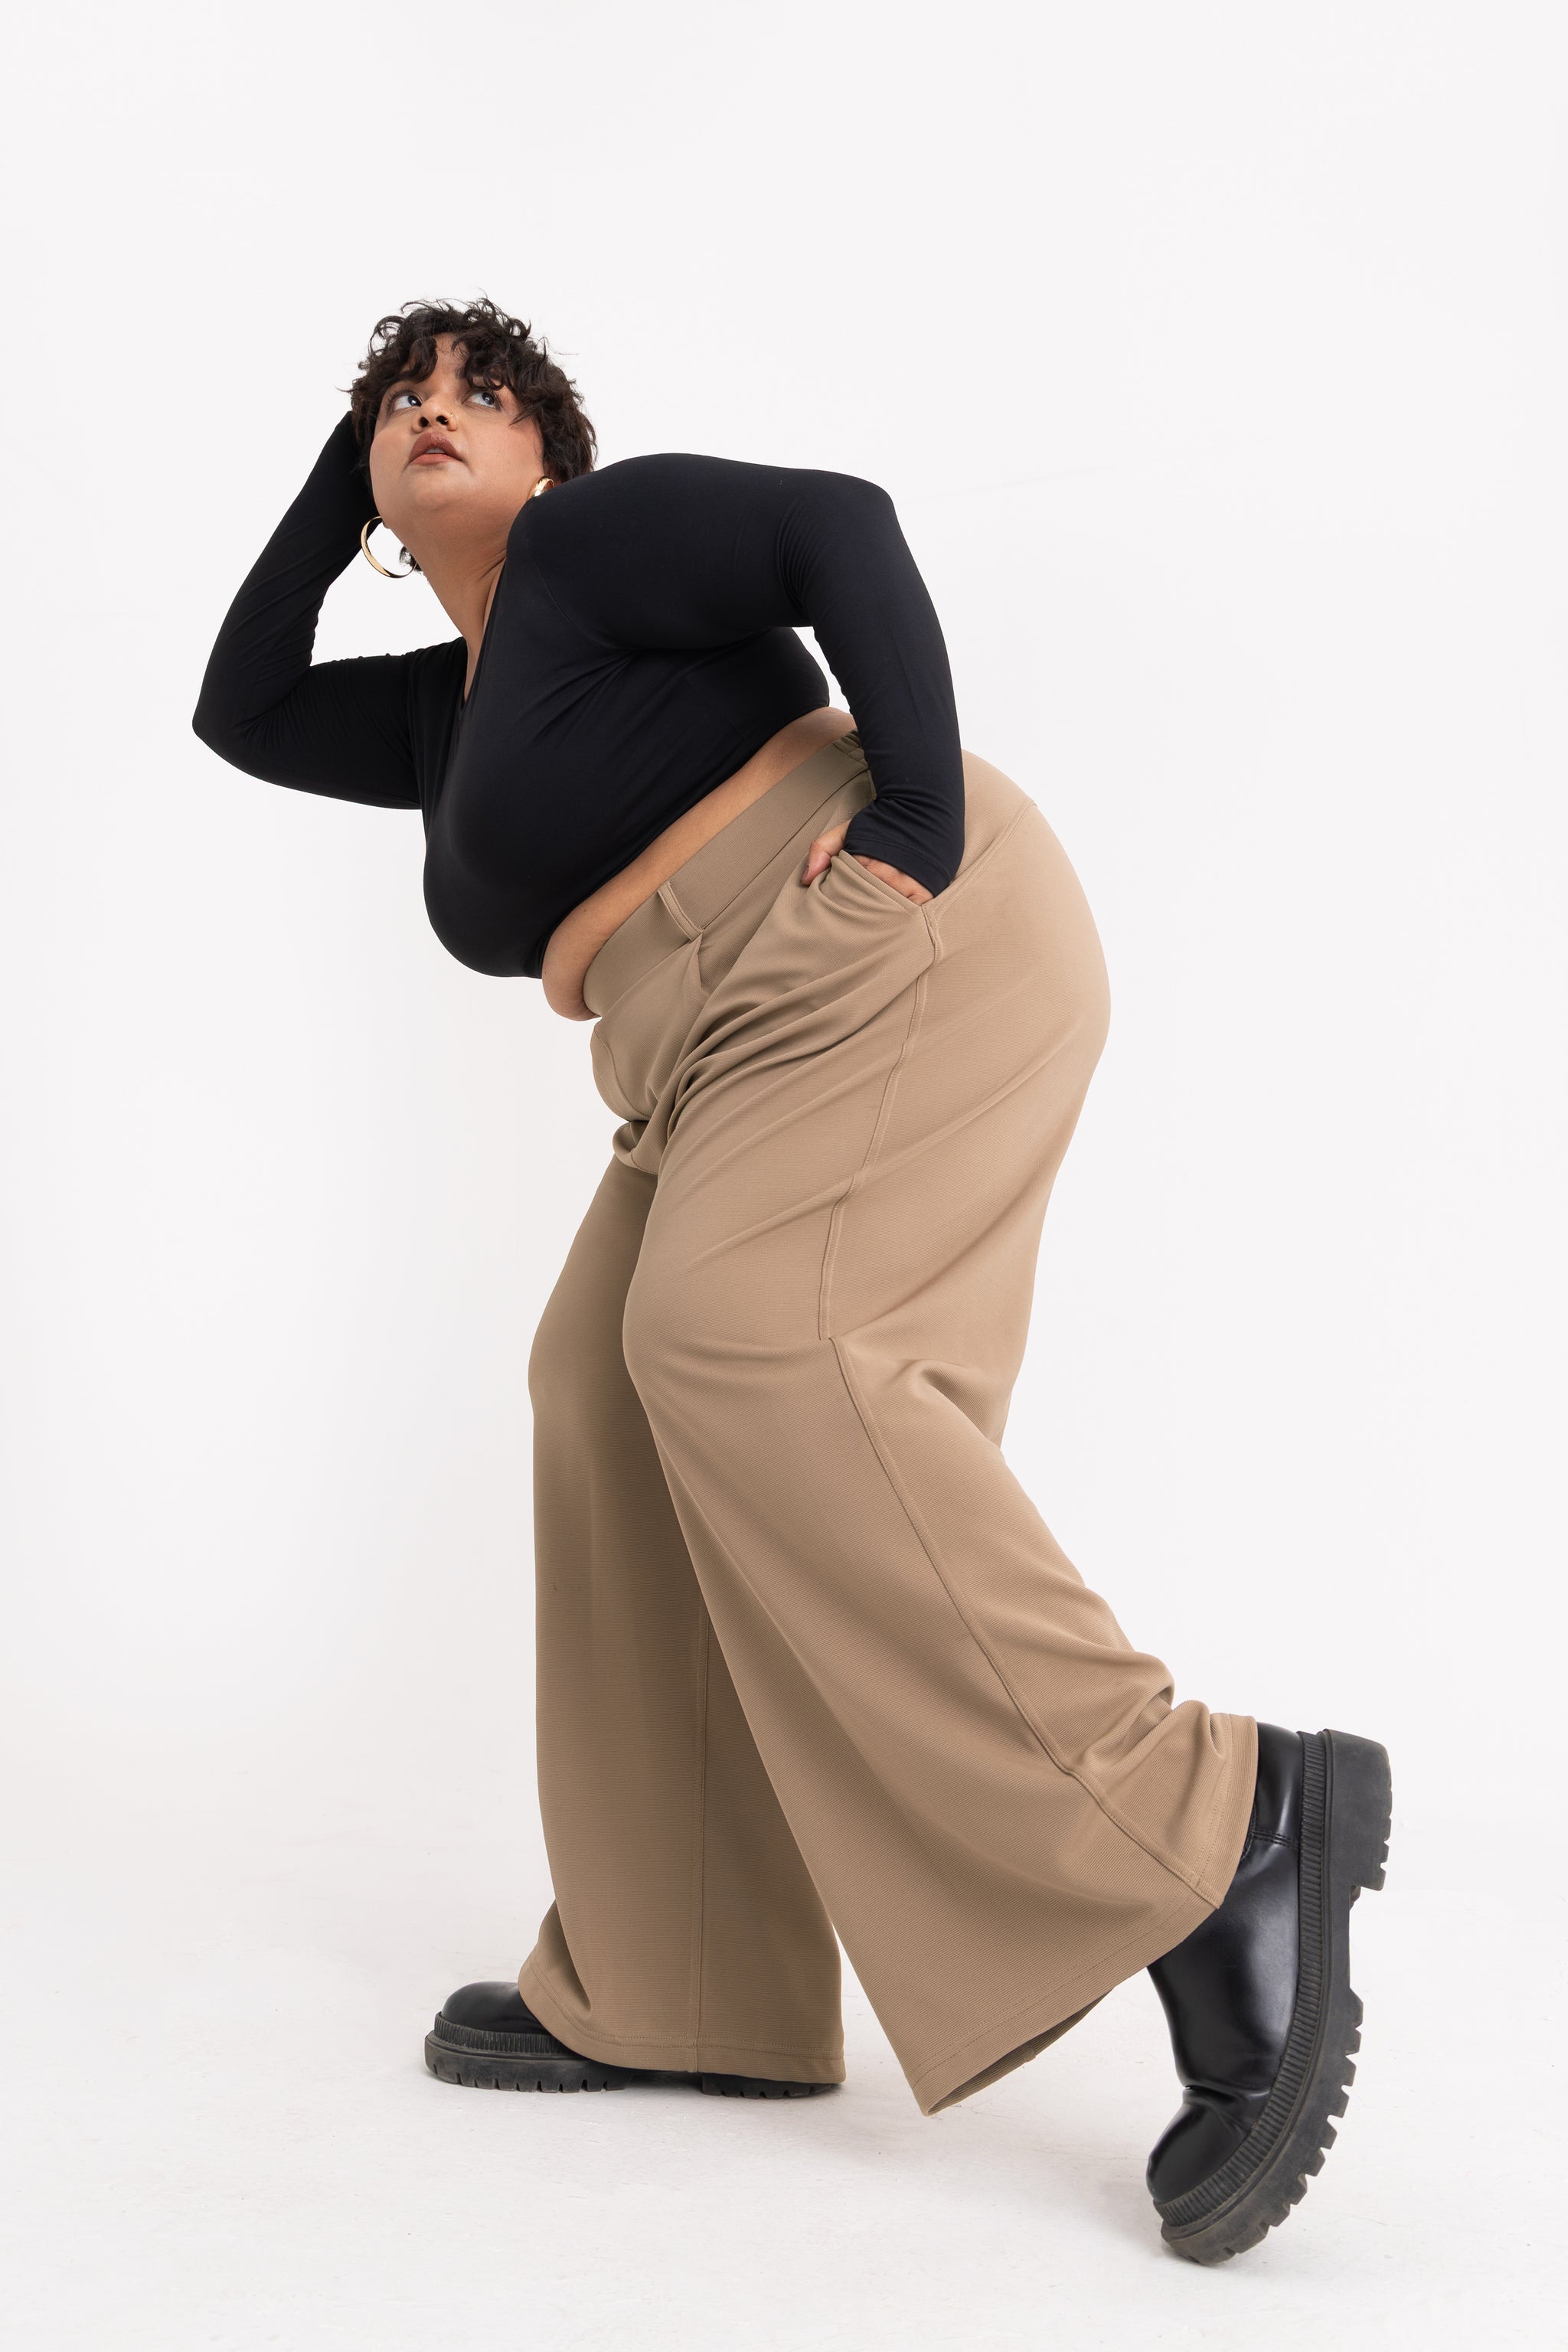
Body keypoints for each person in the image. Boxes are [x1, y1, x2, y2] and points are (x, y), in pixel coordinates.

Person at [192, 297, 1390, 2265]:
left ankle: (1206, 1830)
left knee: (749, 1345)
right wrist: (351, 478)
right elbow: (240, 709)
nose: (434, 413)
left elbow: (840, 521)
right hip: (702, 1051)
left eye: (481, 394)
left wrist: (913, 813)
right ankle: (685, 1977)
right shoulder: (439, 710)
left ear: (556, 455)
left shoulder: (592, 547)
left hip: (871, 932)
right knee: (603, 1387)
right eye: (401, 403)